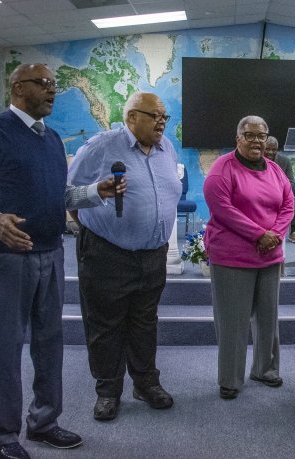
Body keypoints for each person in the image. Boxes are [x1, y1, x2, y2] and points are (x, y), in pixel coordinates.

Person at [0, 63, 122, 459]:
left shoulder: (53, 139)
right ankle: (2, 435)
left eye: (54, 85)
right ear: (18, 88)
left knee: (49, 343)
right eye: (44, 84)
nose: (52, 91)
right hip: (6, 259)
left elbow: (58, 196)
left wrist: (95, 191)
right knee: (5, 346)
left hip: (51, 254)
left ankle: (43, 423)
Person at [67, 92, 182, 420]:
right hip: (107, 253)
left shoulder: (167, 148)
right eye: (154, 116)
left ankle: (145, 383)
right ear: (131, 116)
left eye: (165, 117)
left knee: (145, 321)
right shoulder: (100, 147)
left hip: (153, 255)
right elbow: (68, 195)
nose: (161, 122)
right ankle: (107, 391)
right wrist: (93, 230)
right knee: (105, 324)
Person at [203, 116, 295, 400]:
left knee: (268, 318)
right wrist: (259, 234)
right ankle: (230, 378)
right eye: (250, 135)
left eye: (262, 135)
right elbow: (222, 209)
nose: (257, 141)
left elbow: (288, 203)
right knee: (233, 321)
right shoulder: (222, 170)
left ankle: (265, 368)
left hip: (269, 257)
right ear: (238, 138)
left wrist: (276, 234)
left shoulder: (276, 170)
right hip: (232, 258)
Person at [264, 136, 295, 244]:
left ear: (277, 150)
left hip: (280, 193)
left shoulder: (284, 161)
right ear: (263, 148)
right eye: (267, 149)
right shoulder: (257, 160)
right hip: (261, 192)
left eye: (273, 149)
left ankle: (293, 231)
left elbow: (291, 182)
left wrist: (278, 190)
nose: (270, 152)